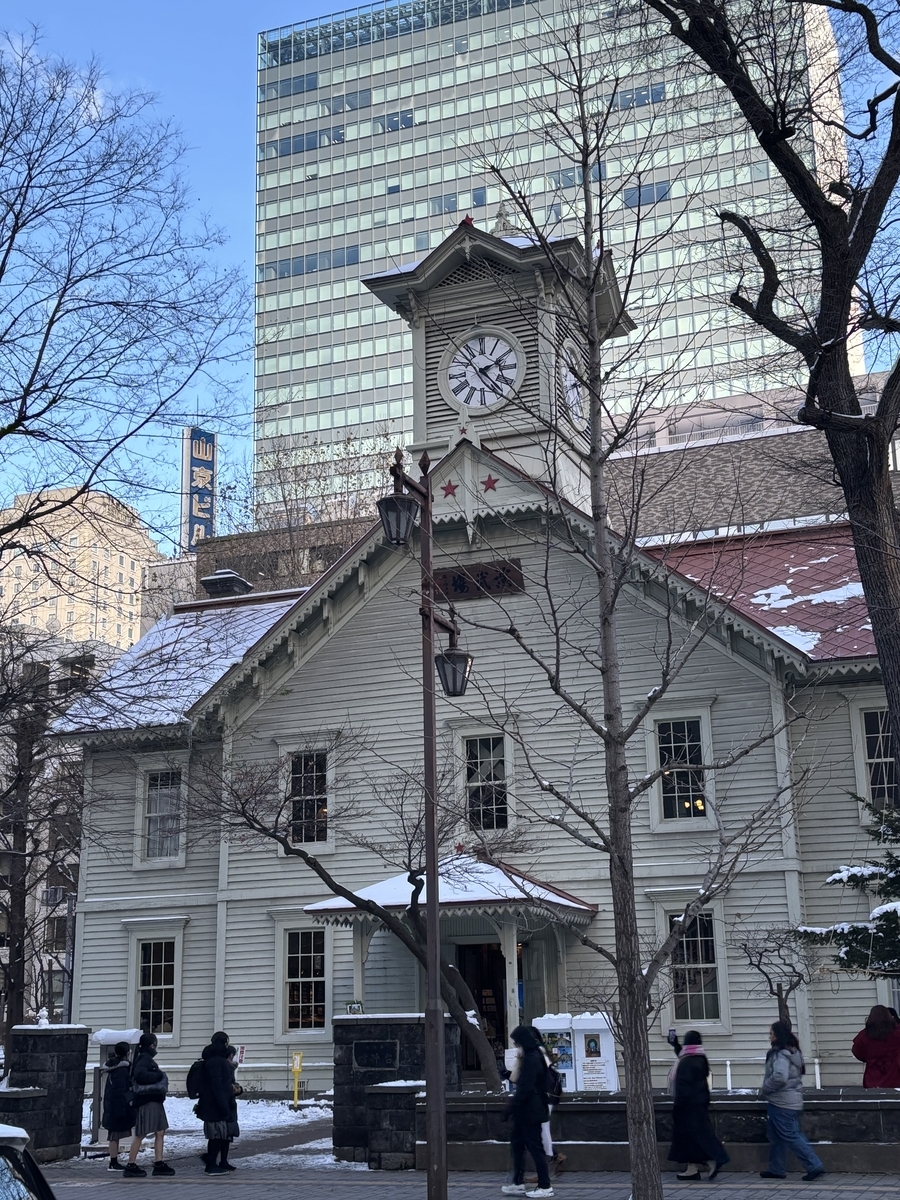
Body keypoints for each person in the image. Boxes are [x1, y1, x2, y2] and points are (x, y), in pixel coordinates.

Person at [759, 1021, 824, 1182]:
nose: (769, 1037)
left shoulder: (780, 1054)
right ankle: (776, 1169)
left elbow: (780, 1077)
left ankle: (814, 1165)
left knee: (791, 1135)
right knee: (776, 1136)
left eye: (771, 1033)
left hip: (782, 1102)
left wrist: (766, 1088)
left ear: (777, 1035)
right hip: (790, 1100)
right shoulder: (793, 1051)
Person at [666, 1030, 728, 1182]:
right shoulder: (700, 1058)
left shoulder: (686, 1062)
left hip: (687, 1106)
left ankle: (711, 1160)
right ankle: (694, 1167)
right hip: (699, 1103)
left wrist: (678, 1106)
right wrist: (675, 1045)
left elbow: (683, 1086)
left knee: (691, 1137)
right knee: (697, 1136)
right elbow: (684, 1055)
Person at [501, 1025, 553, 1199]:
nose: (516, 1047)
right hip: (526, 1110)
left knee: (534, 1147)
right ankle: (517, 1182)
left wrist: (510, 1108)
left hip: (531, 1110)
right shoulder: (532, 1056)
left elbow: (526, 1087)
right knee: (517, 1144)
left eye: (517, 1043)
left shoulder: (532, 1059)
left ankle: (545, 1185)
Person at [123, 1033, 175, 1178]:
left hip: (151, 1100)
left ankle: (158, 1162)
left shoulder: (143, 1058)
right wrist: (158, 1076)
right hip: (148, 1100)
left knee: (159, 1131)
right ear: (152, 1045)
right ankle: (131, 1164)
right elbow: (140, 1075)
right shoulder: (144, 1059)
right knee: (142, 1133)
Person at [197, 1032, 243, 1174]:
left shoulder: (212, 1061)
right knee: (216, 1136)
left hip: (214, 1103)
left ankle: (216, 1162)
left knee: (221, 1135)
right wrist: (224, 1108)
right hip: (215, 1105)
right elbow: (218, 1087)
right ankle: (211, 1165)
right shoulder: (217, 1063)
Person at [101, 1041, 134, 1172]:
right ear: (127, 1053)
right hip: (117, 1106)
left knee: (114, 1135)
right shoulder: (122, 1070)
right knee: (114, 1135)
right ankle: (113, 1162)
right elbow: (120, 1091)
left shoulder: (113, 1066)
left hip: (111, 1105)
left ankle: (114, 1161)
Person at [851, 1005, 900, 1088]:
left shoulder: (863, 1036)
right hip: (895, 1075)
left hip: (873, 1075)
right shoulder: (897, 1033)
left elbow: (858, 1052)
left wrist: (870, 1059)